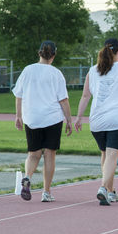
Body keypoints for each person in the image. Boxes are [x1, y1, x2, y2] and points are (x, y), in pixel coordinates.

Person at [74, 38, 118, 206]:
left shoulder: (93, 70)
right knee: (112, 155)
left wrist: (78, 117)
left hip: (97, 121)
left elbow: (85, 96)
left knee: (105, 154)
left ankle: (111, 192)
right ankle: (103, 187)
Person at [13, 40, 73, 202]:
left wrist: (18, 115)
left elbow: (19, 94)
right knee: (49, 154)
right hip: (52, 117)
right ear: (53, 55)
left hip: (32, 117)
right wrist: (69, 120)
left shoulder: (27, 70)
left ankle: (27, 177)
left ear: (39, 53)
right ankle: (46, 192)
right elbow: (63, 100)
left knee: (33, 153)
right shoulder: (56, 74)